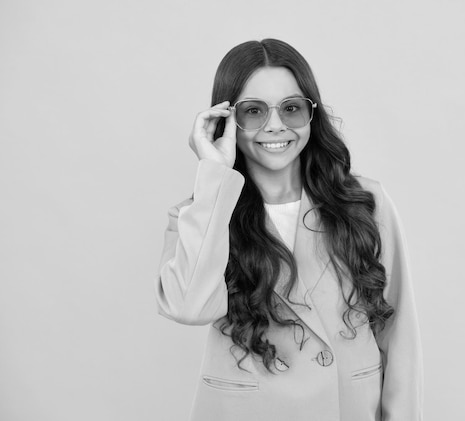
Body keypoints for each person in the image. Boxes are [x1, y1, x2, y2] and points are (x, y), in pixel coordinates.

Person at [155, 38, 423, 421]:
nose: (276, 125)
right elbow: (189, 307)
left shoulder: (365, 203)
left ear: (311, 115)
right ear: (226, 119)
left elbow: (399, 336)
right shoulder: (200, 213)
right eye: (253, 111)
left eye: (292, 108)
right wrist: (214, 176)